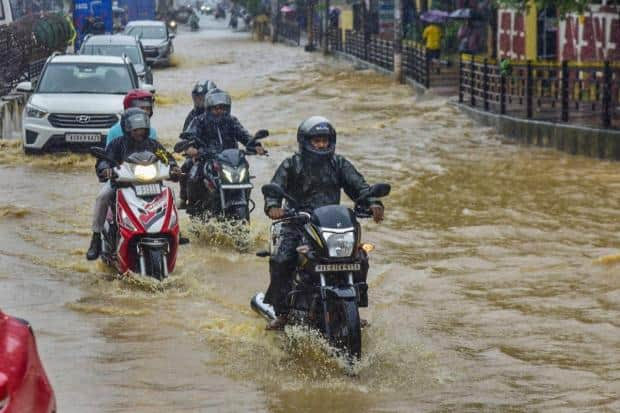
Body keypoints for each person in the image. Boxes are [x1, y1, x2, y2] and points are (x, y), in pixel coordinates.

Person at [262, 116, 385, 330]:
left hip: (331, 225)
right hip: (299, 223)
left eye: (324, 140)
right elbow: (276, 186)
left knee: (360, 257)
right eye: (316, 140)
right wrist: (273, 206)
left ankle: (352, 307)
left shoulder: (339, 163)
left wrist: (372, 202)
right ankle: (282, 313)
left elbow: (359, 187)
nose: (321, 145)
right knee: (282, 259)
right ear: (305, 141)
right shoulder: (292, 164)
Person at [86, 108, 181, 260]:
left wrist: (174, 167)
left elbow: (166, 158)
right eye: (135, 129)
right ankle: (96, 238)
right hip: (122, 185)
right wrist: (106, 169)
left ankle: (175, 232)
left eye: (142, 129)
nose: (139, 132)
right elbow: (104, 159)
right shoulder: (117, 144)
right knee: (102, 197)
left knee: (169, 193)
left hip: (152, 185)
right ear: (127, 128)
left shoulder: (154, 145)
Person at [182, 89, 265, 209]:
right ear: (209, 108)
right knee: (193, 175)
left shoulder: (232, 121)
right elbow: (189, 138)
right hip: (208, 159)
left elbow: (244, 135)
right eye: (216, 108)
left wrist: (256, 145)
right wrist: (191, 149)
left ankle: (243, 199)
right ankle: (195, 207)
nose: (219, 111)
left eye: (222, 108)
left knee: (245, 173)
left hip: (232, 161)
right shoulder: (199, 121)